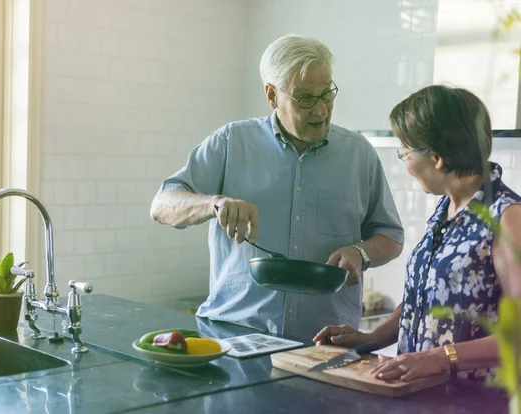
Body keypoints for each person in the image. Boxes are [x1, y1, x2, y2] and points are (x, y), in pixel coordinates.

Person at [150, 34, 404, 343]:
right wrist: (213, 204)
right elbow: (161, 205)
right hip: (234, 339)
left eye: (327, 94)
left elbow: (391, 236)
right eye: (306, 99)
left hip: (324, 344)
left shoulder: (359, 154)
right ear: (272, 96)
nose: (321, 110)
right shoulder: (231, 142)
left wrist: (360, 252)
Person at [313, 85, 521, 381]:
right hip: (420, 397)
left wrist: (439, 358)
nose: (405, 162)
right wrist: (368, 339)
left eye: (405, 152)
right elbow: (423, 301)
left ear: (436, 158)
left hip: (475, 402)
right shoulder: (446, 209)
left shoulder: (507, 218)